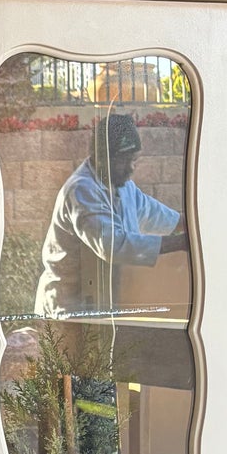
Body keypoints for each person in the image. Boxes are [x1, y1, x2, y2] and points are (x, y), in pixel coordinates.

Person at [34, 109, 187, 316]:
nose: (131, 168)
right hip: (68, 308)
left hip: (103, 304)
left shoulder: (124, 186)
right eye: (123, 161)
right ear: (101, 157)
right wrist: (181, 243)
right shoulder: (81, 190)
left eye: (134, 160)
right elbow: (113, 245)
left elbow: (156, 215)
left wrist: (193, 225)